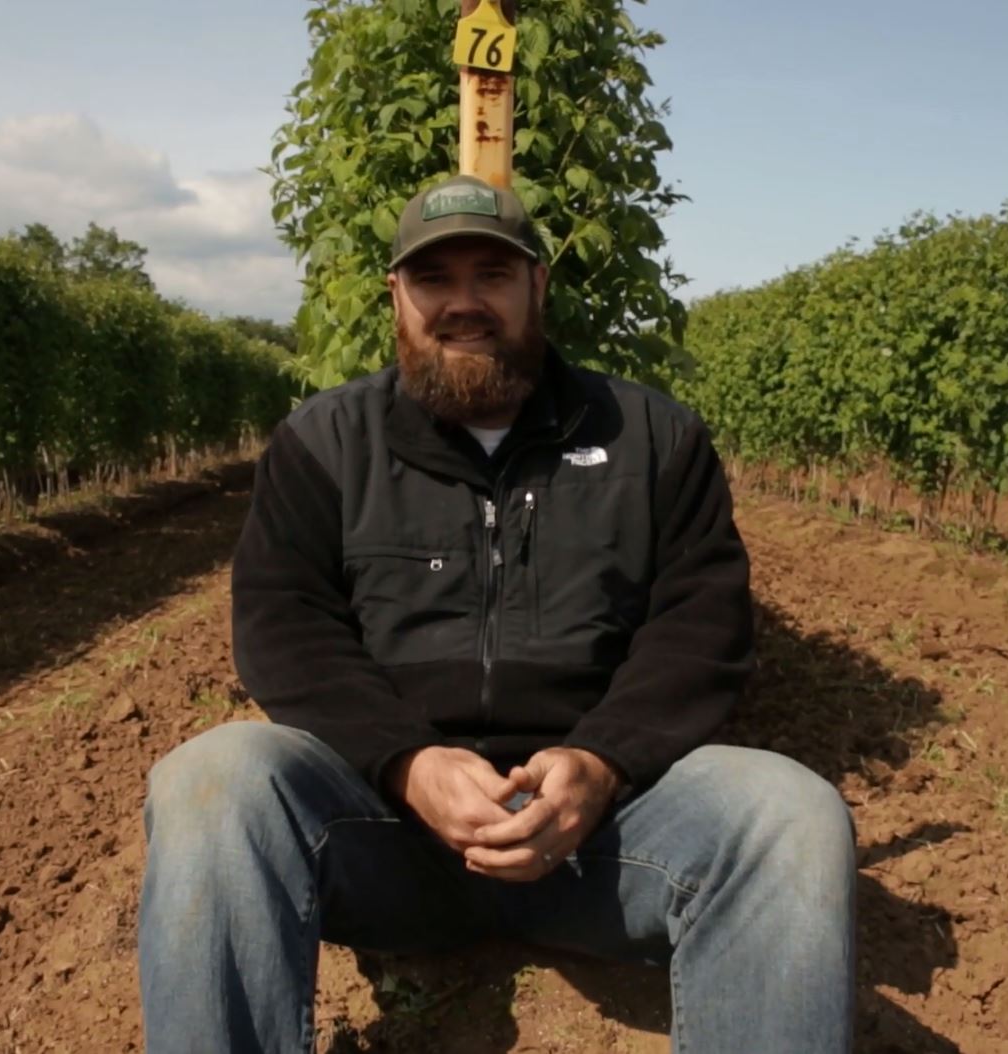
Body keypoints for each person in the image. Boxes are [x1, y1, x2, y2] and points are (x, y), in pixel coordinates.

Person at [137, 174, 855, 1053]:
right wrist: (406, 763)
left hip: (600, 845)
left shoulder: (653, 439)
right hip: (386, 843)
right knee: (213, 779)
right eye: (434, 279)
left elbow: (699, 624)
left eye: (492, 274)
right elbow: (287, 624)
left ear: (537, 287)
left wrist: (600, 763)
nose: (464, 303)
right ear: (396, 296)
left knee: (788, 808)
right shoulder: (324, 443)